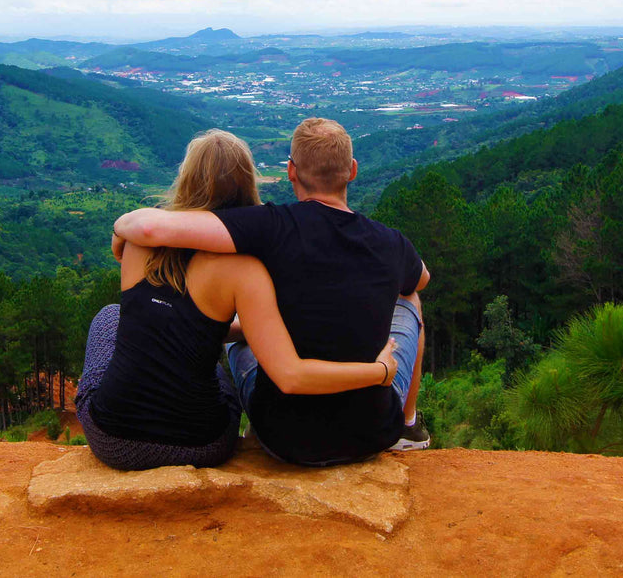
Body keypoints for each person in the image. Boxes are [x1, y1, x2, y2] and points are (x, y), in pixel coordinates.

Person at [113, 117, 430, 466]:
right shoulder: (392, 243)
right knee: (410, 299)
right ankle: (409, 426)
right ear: (352, 170)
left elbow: (148, 227)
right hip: (373, 430)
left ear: (291, 171)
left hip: (284, 436)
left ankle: (250, 429)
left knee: (242, 327)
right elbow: (421, 281)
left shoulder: (269, 227)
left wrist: (120, 229)